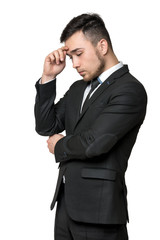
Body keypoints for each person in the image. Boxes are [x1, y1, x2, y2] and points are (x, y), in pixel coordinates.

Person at [34, 13, 147, 240]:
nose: (74, 64)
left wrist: (59, 145)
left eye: (78, 54)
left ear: (102, 45)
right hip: (66, 207)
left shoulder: (130, 90)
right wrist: (48, 77)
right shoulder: (78, 88)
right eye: (71, 56)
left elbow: (95, 143)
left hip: (99, 211)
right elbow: (46, 126)